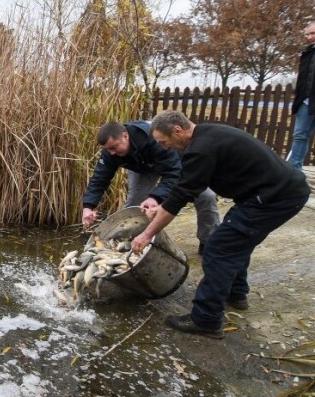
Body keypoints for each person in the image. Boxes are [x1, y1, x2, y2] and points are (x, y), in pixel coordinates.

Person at [131, 110, 309, 339]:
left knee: (218, 248)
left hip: (275, 197)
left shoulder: (200, 149)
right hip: (273, 193)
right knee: (235, 240)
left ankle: (206, 319)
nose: (164, 148)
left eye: (164, 142)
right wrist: (160, 207)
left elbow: (180, 198)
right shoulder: (206, 136)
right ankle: (236, 293)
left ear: (177, 131)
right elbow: (185, 187)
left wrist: (146, 235)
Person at [81, 121, 219, 253]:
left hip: (176, 163)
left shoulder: (156, 139)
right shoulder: (110, 151)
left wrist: (155, 197)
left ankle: (208, 241)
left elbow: (173, 173)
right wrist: (88, 206)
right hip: (142, 167)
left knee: (206, 196)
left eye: (114, 147)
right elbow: (99, 178)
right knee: (134, 204)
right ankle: (130, 242)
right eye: (107, 149)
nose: (111, 153)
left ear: (125, 136)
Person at [287, 21, 315, 170]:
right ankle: (295, 169)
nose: (309, 37)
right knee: (300, 135)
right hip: (306, 101)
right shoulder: (307, 53)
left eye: (313, 33)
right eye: (307, 34)